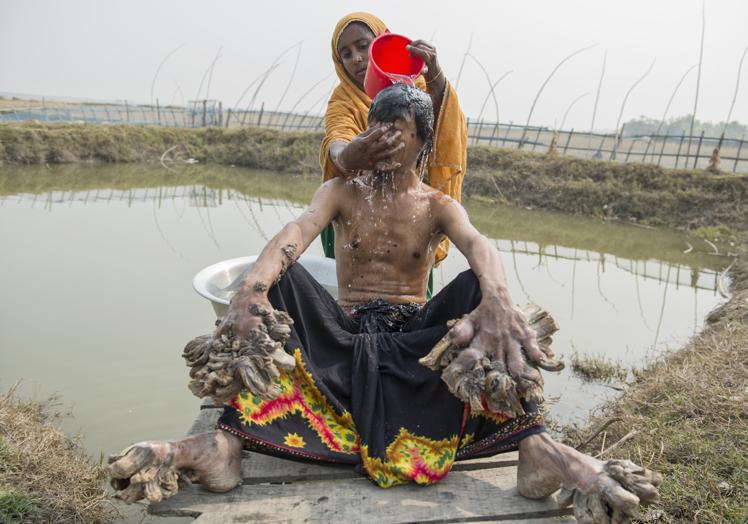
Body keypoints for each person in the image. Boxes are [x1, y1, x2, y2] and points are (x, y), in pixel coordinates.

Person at [109, 85, 660, 523]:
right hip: (345, 339)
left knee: (478, 290)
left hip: (416, 339)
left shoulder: (436, 203)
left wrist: (498, 298)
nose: (384, 140)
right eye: (378, 127)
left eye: (398, 130)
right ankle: (223, 446)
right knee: (282, 281)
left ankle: (537, 450)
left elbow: (479, 245)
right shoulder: (343, 190)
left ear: (422, 141)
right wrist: (250, 290)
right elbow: (296, 231)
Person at [319, 12, 468, 294]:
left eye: (363, 45)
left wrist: (436, 79)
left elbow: (440, 130)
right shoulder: (344, 98)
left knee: (411, 288)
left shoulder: (419, 89)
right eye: (346, 53)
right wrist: (348, 156)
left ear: (381, 42)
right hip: (355, 208)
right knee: (352, 293)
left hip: (410, 206)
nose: (357, 58)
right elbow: (336, 140)